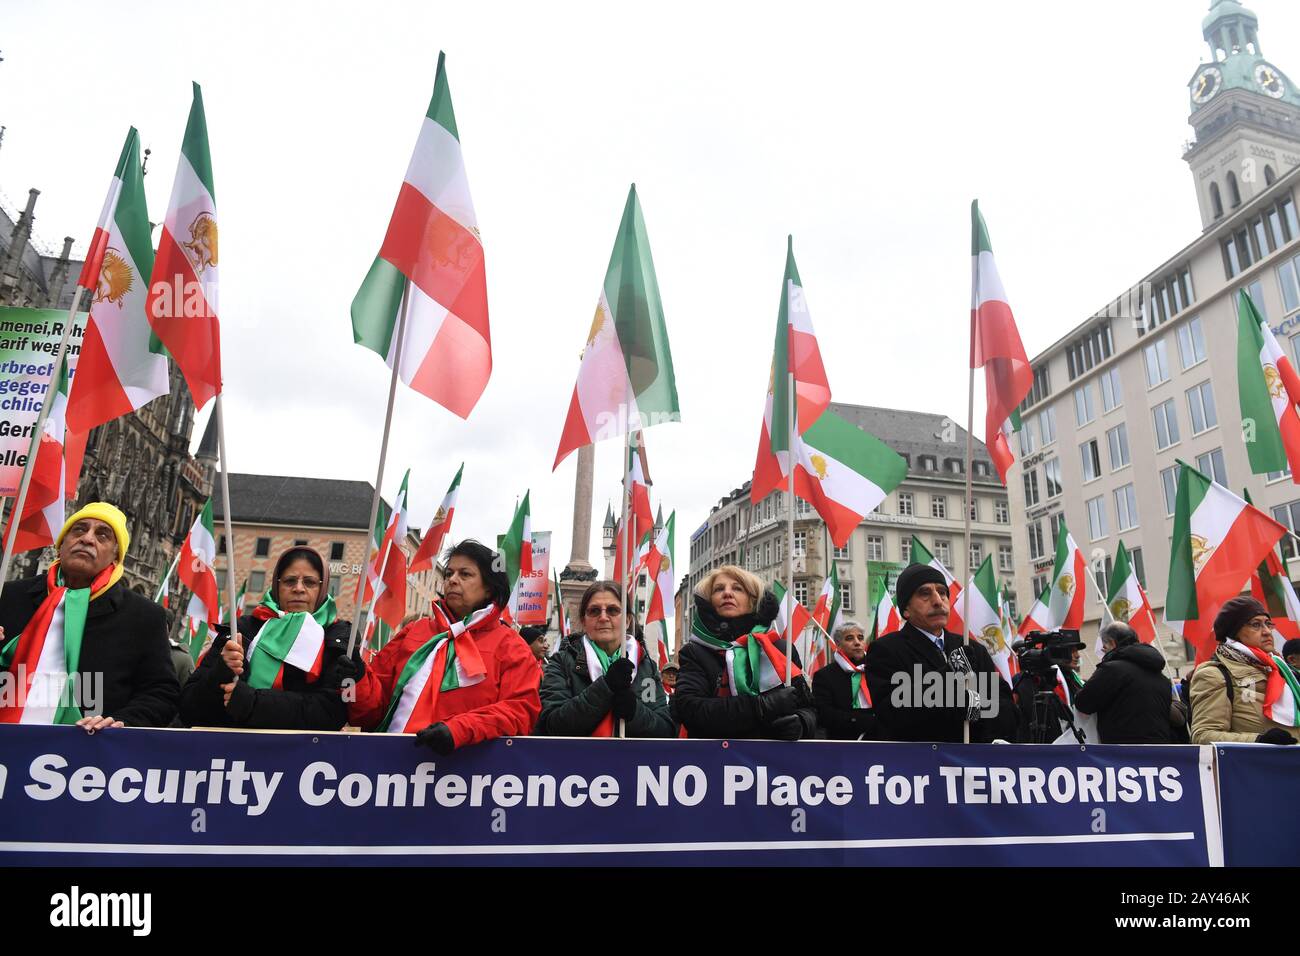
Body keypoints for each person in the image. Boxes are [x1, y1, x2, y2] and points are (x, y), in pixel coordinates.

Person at [344, 539, 541, 751]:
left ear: (489, 589)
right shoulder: (414, 631)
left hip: (463, 774)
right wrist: (357, 678)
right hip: (391, 769)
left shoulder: (512, 647)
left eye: (465, 574)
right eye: (448, 574)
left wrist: (458, 731)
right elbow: (372, 712)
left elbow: (520, 711)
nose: (452, 580)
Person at [0, 502, 178, 728]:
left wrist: (122, 721)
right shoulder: (8, 596)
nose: (87, 538)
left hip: (84, 751)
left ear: (116, 555)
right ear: (61, 544)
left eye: (102, 535)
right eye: (79, 529)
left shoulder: (144, 616)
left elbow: (162, 693)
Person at [179, 546, 355, 730]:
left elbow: (333, 712)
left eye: (310, 582)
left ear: (323, 587)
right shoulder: (242, 629)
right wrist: (221, 671)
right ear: (277, 584)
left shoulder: (336, 637)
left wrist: (254, 703)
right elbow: (190, 709)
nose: (298, 589)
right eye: (289, 581)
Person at [864, 563, 1017, 743]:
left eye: (942, 592)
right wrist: (949, 675)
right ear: (906, 609)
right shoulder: (886, 650)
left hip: (971, 763)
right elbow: (892, 713)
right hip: (920, 765)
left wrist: (973, 708)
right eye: (924, 593)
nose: (938, 601)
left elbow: (1008, 711)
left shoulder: (973, 649)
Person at [671, 565, 817, 740]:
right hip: (713, 758)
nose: (727, 593)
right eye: (719, 589)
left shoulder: (780, 648)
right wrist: (760, 707)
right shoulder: (696, 651)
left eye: (737, 588)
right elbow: (691, 709)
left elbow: (808, 707)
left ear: (753, 600)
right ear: (710, 602)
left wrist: (801, 723)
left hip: (772, 760)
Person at [536, 582, 674, 737]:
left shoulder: (646, 666)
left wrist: (635, 713)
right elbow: (551, 724)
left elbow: (666, 729)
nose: (603, 617)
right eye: (594, 611)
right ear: (583, 621)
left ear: (627, 620)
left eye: (613, 610)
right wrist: (605, 687)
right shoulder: (562, 662)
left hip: (631, 760)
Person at [1189, 597, 1300, 744]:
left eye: (1268, 624)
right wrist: (1259, 740)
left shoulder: (1282, 669)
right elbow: (1203, 736)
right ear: (1235, 632)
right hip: (1260, 765)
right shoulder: (1214, 675)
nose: (1267, 631)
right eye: (1256, 625)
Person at [1074, 623, 1177, 744]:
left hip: (1125, 754)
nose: (1103, 652)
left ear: (1112, 643)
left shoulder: (1112, 670)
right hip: (1160, 751)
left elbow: (1083, 703)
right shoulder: (1160, 675)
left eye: (1104, 647)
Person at [812, 620, 883, 740]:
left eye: (860, 638)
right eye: (849, 638)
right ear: (838, 645)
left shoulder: (878, 670)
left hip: (881, 739)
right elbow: (824, 714)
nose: (857, 643)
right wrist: (859, 721)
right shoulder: (824, 676)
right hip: (844, 742)